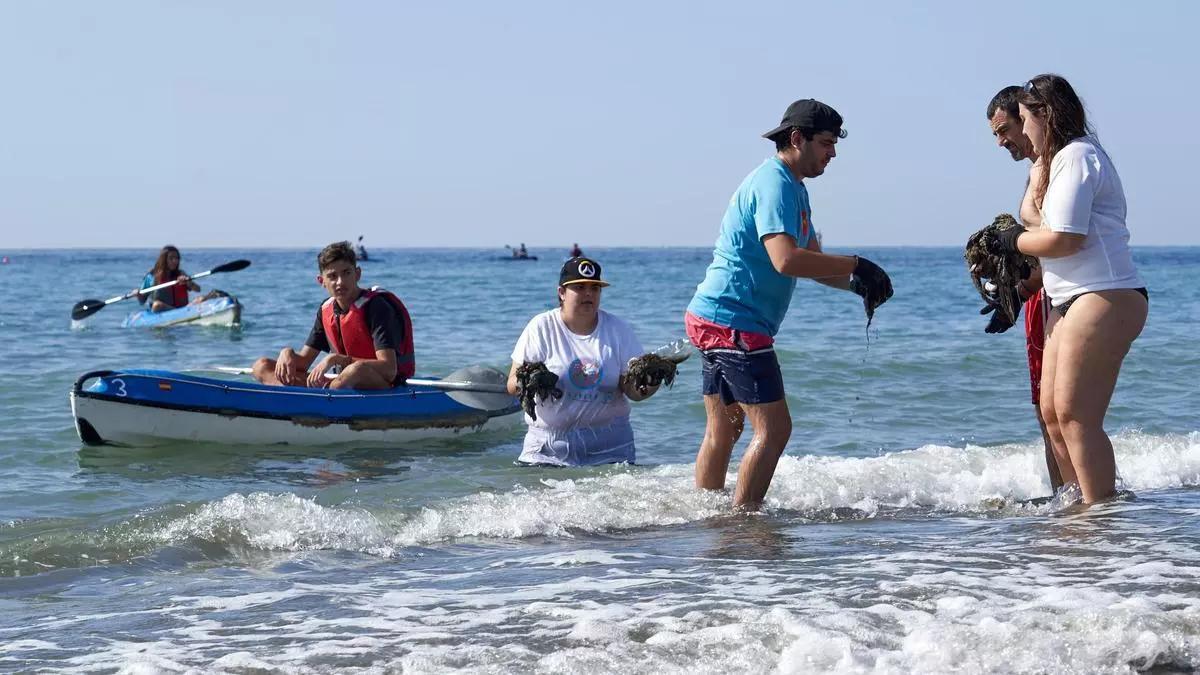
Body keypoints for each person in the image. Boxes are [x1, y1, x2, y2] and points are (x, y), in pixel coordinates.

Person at [685, 99, 893, 510]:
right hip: (735, 321)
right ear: (796, 139)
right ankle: (743, 522)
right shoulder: (774, 183)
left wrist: (858, 284)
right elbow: (785, 259)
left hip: (712, 316)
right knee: (775, 431)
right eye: (826, 143)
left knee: (724, 429)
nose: (832, 154)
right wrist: (857, 262)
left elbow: (811, 263)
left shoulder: (793, 187)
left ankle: (707, 517)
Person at [990, 74, 1147, 503]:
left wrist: (1009, 240)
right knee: (1053, 416)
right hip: (1069, 297)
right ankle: (1077, 511)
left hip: (1106, 293)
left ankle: (1100, 517)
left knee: (1077, 418)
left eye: (1024, 119)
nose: (1022, 131)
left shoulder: (1078, 156)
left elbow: (1065, 239)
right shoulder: (1057, 160)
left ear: (1048, 114)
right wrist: (1018, 290)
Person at [507, 256, 661, 466]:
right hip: (548, 449)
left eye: (595, 288)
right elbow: (512, 384)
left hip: (611, 448)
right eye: (579, 287)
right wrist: (532, 380)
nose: (588, 293)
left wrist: (652, 381)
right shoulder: (541, 327)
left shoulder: (618, 330)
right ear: (561, 292)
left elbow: (633, 392)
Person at [984, 85, 1063, 491]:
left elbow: (1063, 244)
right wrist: (1014, 293)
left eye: (1004, 130)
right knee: (1045, 412)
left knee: (1063, 412)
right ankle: (1065, 500)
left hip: (1060, 297)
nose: (1001, 142)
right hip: (1039, 298)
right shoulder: (1037, 169)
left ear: (1026, 117)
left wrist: (1028, 282)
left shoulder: (1058, 165)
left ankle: (1084, 502)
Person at [251, 241, 415, 390]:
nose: (340, 282)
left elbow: (389, 370)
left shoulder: (377, 307)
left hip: (382, 385)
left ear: (357, 274)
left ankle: (321, 400)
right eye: (332, 276)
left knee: (354, 370)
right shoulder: (326, 310)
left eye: (346, 273)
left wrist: (336, 359)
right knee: (261, 366)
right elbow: (303, 362)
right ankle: (298, 402)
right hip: (341, 383)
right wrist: (286, 353)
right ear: (321, 281)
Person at [139, 245, 201, 313]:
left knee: (202, 299)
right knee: (157, 305)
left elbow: (198, 289)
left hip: (183, 309)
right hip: (162, 310)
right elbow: (142, 301)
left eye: (177, 258)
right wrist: (138, 294)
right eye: (171, 258)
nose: (175, 261)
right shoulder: (151, 276)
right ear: (163, 259)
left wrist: (188, 282)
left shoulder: (181, 274)